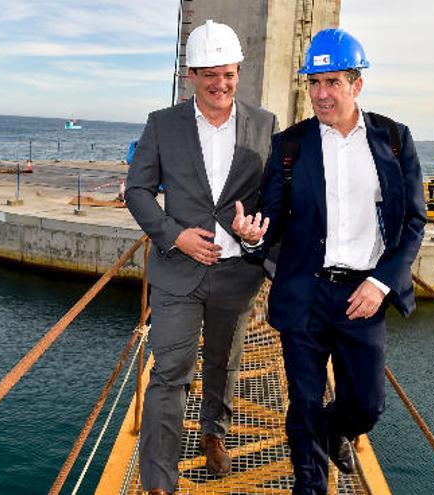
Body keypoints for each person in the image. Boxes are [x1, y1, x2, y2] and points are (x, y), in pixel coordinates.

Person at [232, 28, 426, 494]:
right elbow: (269, 221)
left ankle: (339, 428)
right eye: (313, 83)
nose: (320, 94)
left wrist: (381, 283)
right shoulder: (291, 145)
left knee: (367, 404)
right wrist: (253, 237)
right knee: (303, 401)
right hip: (304, 292)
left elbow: (415, 223)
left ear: (356, 85)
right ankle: (311, 487)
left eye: (332, 82)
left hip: (364, 294)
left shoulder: (394, 140)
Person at [125, 19, 278, 495]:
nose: (220, 83)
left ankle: (215, 431)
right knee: (169, 373)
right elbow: (137, 190)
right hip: (177, 271)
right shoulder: (161, 124)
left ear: (239, 72)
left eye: (228, 73)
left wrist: (255, 235)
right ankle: (159, 481)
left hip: (238, 273)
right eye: (209, 74)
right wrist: (174, 236)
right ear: (190, 76)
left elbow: (273, 198)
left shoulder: (265, 124)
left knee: (223, 361)